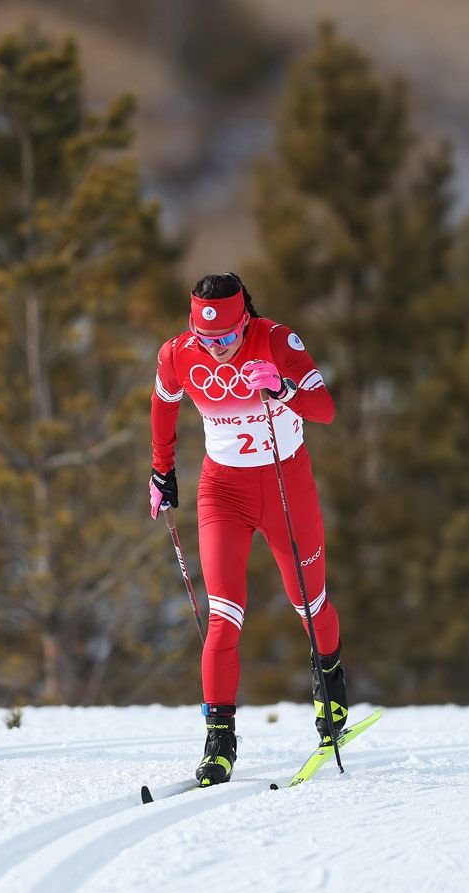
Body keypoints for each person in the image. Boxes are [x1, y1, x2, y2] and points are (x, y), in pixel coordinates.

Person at [149, 272, 347, 787]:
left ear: (246, 320)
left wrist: (281, 388)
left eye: (228, 339)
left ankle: (331, 685)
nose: (217, 351)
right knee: (224, 615)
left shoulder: (278, 341)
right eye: (207, 340)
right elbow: (164, 404)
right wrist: (162, 470)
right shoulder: (177, 354)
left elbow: (324, 410)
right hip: (223, 491)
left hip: (286, 484)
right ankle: (219, 743)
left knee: (310, 602)